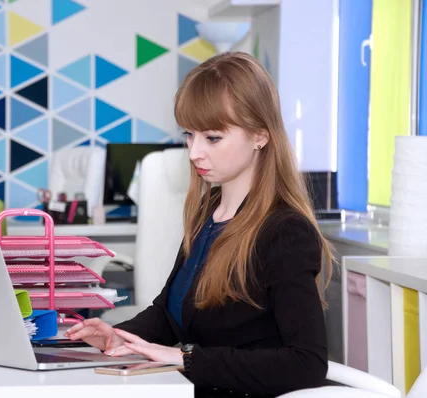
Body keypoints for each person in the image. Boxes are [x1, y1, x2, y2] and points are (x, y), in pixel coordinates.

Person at [65, 52, 334, 398]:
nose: (193, 152)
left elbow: (307, 363)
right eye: (189, 135)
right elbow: (169, 313)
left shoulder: (284, 232)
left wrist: (187, 358)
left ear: (260, 136)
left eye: (213, 137)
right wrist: (117, 335)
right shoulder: (209, 209)